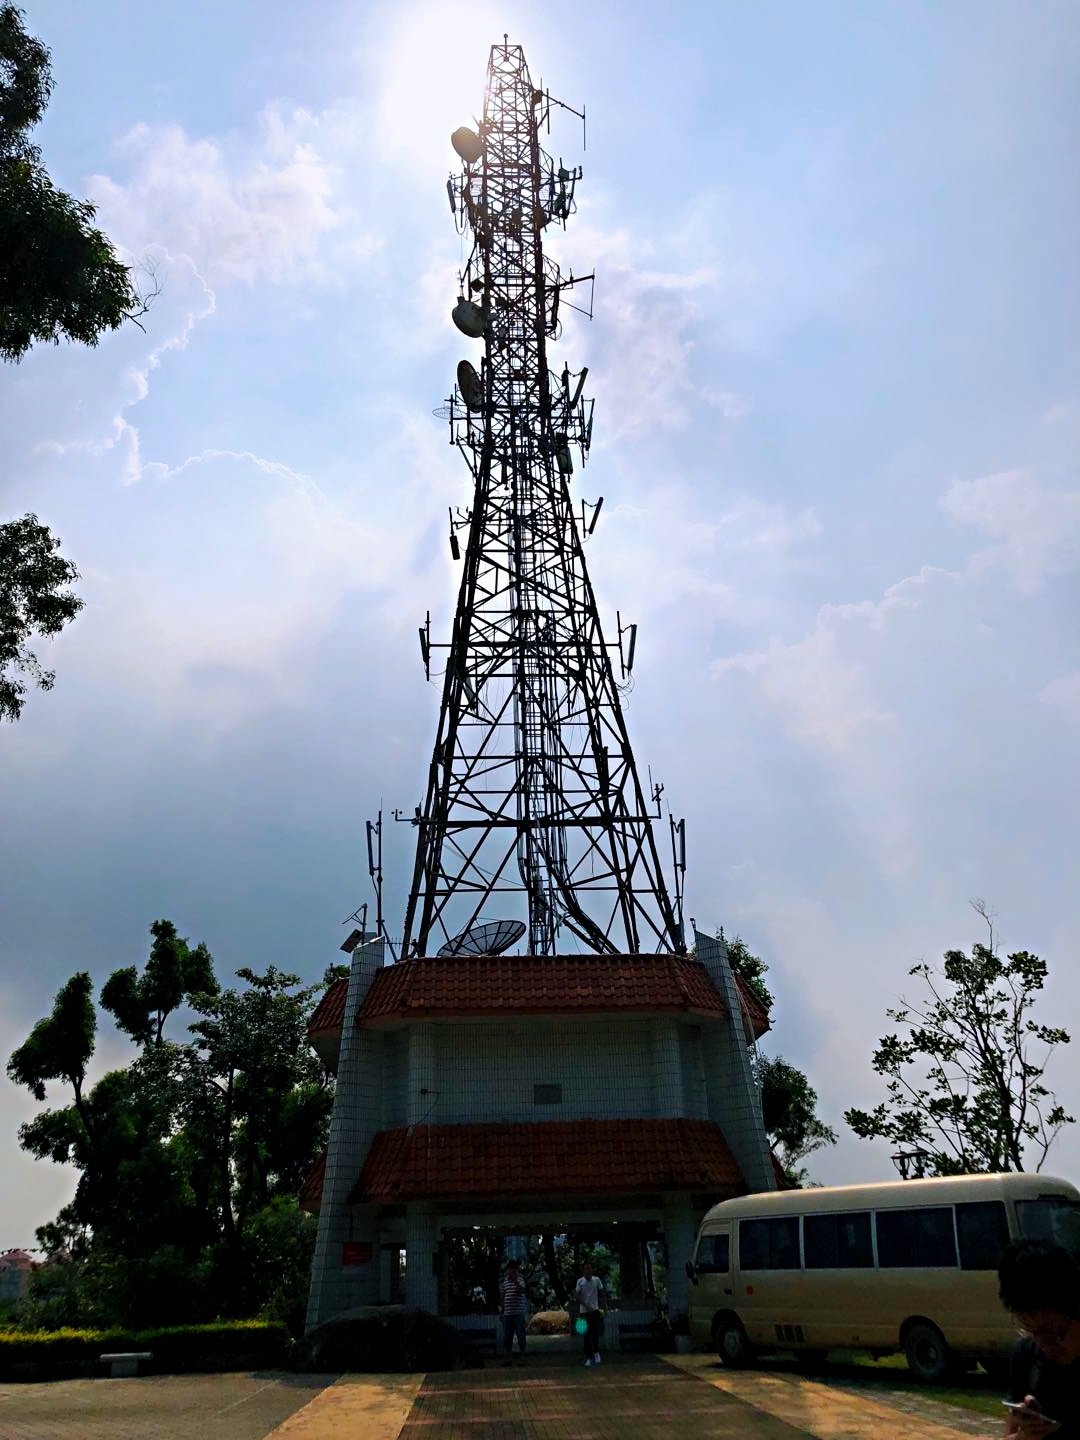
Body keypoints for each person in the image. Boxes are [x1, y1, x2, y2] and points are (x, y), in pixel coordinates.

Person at [998, 1240, 1080, 1440]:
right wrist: (1025, 1435)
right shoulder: (1026, 1355)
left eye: (1054, 1331)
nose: (1045, 1347)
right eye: (1031, 1332)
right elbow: (1010, 1433)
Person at [575, 1258, 605, 1367]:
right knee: (586, 1336)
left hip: (595, 1311)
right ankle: (588, 1357)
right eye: (586, 1269)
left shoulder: (596, 1280)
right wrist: (585, 1305)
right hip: (584, 1312)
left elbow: (602, 1293)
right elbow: (577, 1295)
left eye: (590, 1268)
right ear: (583, 1270)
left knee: (595, 1334)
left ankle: (596, 1353)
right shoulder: (580, 1281)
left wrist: (603, 1307)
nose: (588, 1271)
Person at [500, 1259, 528, 1364]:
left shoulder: (520, 1280)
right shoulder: (505, 1282)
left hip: (518, 1313)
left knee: (521, 1336)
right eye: (509, 1269)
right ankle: (508, 1358)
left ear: (516, 1270)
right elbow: (503, 1297)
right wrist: (502, 1311)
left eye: (513, 1269)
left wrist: (515, 1280)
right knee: (507, 1337)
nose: (510, 1271)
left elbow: (522, 1290)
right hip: (507, 1314)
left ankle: (522, 1357)